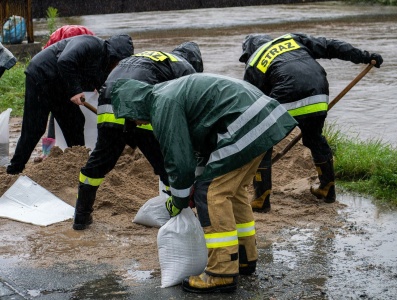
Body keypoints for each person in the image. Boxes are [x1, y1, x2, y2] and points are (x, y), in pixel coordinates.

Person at [110, 73, 297, 293]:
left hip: (247, 123)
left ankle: (221, 273)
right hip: (264, 118)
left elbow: (179, 161)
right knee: (232, 192)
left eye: (132, 120)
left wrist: (178, 200)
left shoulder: (162, 105)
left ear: (134, 108)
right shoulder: (167, 93)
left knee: (211, 194)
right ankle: (245, 257)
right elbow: (199, 155)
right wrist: (189, 189)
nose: (138, 124)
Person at [239, 33, 383, 212]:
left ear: (248, 50)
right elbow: (331, 45)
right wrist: (365, 56)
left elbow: (251, 101)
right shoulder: (291, 39)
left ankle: (261, 199)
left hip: (287, 95)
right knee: (314, 138)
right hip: (319, 93)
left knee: (262, 144)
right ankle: (327, 189)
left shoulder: (254, 62)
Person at [72, 41, 203, 230]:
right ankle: (176, 217)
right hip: (141, 105)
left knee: (100, 162)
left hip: (109, 102)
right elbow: (188, 108)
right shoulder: (185, 67)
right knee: (166, 163)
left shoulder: (152, 57)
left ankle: (81, 217)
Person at [6, 34, 133, 175]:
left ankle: (78, 164)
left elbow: (106, 91)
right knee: (34, 128)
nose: (117, 66)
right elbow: (65, 61)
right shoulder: (90, 43)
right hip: (42, 75)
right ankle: (14, 170)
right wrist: (75, 90)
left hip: (59, 85)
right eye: (118, 62)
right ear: (113, 54)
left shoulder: (105, 65)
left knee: (75, 122)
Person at [35, 25, 96, 162]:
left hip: (72, 70)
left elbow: (91, 65)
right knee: (55, 112)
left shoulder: (87, 44)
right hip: (57, 75)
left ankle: (57, 150)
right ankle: (47, 151)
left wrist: (94, 83)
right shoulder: (57, 47)